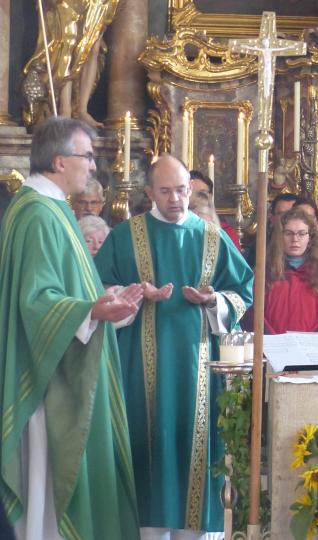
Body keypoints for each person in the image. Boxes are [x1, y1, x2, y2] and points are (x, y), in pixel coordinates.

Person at [95, 155, 254, 536]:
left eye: (182, 190)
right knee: (148, 457)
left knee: (194, 458)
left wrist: (213, 300)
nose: (175, 199)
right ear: (149, 192)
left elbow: (243, 291)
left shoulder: (213, 237)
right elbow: (97, 291)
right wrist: (132, 294)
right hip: (140, 374)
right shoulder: (124, 236)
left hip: (199, 374)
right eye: (165, 191)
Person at [0, 117, 141, 539]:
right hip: (48, 383)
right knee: (49, 501)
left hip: (63, 367)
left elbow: (66, 288)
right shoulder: (39, 214)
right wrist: (92, 311)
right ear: (60, 161)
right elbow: (37, 303)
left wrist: (104, 299)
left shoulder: (52, 208)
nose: (93, 166)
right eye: (87, 156)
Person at [264, 208, 318, 336]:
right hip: (271, 349)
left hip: (312, 350)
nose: (295, 239)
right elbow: (253, 314)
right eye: (288, 233)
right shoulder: (264, 273)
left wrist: (309, 343)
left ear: (310, 238)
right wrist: (274, 341)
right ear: (280, 236)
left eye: (301, 234)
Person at [189, 170, 241, 251]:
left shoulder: (226, 232)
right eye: (190, 194)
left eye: (202, 194)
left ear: (210, 197)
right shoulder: (177, 230)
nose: (195, 200)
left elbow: (233, 261)